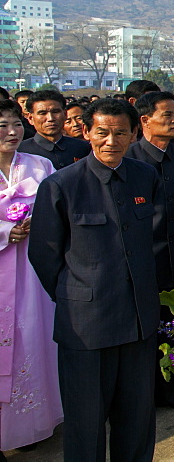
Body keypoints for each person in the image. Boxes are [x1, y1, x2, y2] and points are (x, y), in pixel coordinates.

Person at [30, 99, 161, 461]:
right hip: (86, 326)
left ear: (135, 133)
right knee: (85, 422)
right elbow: (44, 256)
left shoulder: (144, 175)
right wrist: (79, 296)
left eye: (121, 133)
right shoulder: (61, 185)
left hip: (138, 320)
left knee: (136, 417)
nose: (111, 141)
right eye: (101, 132)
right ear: (85, 132)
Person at [125, 92, 174, 411]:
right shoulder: (130, 159)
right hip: (143, 258)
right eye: (167, 115)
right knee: (144, 327)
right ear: (145, 120)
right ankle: (143, 394)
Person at [0, 100, 63, 453]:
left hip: (32, 269)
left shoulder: (40, 164)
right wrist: (6, 230)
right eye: (2, 125)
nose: (11, 132)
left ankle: (33, 422)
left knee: (34, 337)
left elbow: (57, 209)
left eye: (15, 124)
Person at [17, 90, 91, 170]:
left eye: (55, 112)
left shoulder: (83, 148)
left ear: (65, 114)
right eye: (42, 113)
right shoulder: (20, 152)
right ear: (30, 118)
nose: (50, 118)